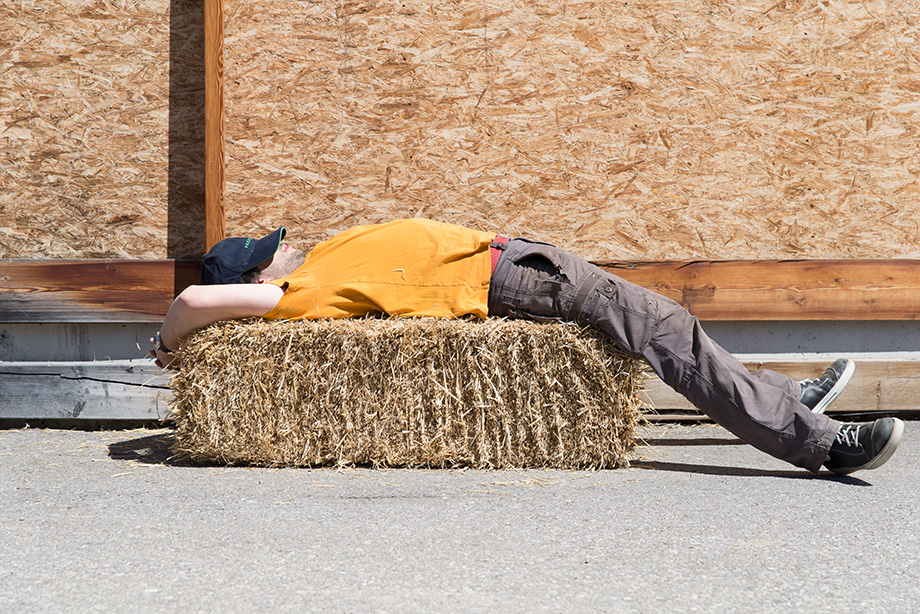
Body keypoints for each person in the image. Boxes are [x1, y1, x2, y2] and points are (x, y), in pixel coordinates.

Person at [151, 218, 904, 476]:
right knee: (665, 329)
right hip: (516, 278)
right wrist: (168, 345)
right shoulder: (296, 297)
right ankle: (820, 442)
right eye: (265, 255)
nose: (279, 253)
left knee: (667, 328)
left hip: (520, 260)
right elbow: (191, 302)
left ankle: (778, 399)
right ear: (252, 278)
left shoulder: (319, 266)